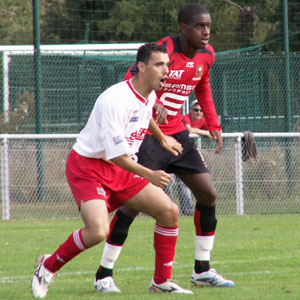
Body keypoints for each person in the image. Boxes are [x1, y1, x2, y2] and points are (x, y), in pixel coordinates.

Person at [31, 43, 194, 298]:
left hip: (121, 167)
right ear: (141, 67)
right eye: (159, 65)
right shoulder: (115, 99)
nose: (167, 71)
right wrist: (149, 174)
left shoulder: (148, 93)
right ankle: (47, 266)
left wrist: (162, 137)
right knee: (97, 231)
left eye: (168, 65)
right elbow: (116, 155)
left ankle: (161, 282)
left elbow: (144, 114)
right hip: (89, 167)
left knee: (169, 212)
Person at [94, 3, 235, 292]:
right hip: (149, 137)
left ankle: (202, 270)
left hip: (178, 136)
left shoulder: (207, 55)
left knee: (208, 193)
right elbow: (128, 80)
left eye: (208, 26)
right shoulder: (162, 51)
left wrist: (214, 124)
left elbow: (202, 86)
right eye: (199, 26)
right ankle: (103, 274)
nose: (206, 31)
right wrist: (151, 103)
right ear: (183, 28)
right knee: (132, 206)